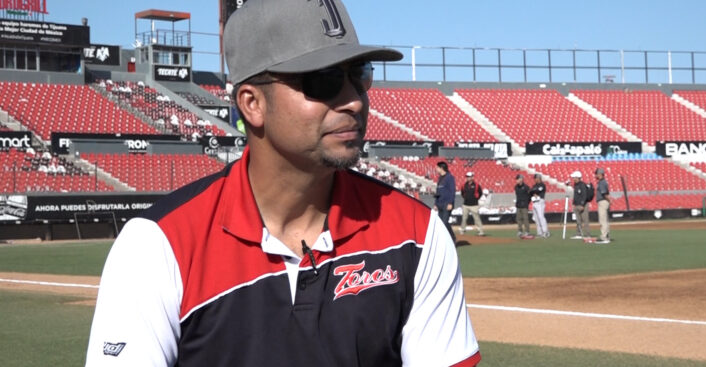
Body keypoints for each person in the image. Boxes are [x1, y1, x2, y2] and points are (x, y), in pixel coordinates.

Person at [85, 1, 480, 366]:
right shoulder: (158, 245)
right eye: (323, 80)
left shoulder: (418, 234)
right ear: (252, 103)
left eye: (359, 75)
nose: (354, 101)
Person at [434, 161, 458, 243]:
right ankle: (445, 240)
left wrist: (450, 203)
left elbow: (452, 191)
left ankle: (452, 238)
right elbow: (438, 191)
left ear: (441, 168)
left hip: (447, 204)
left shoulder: (450, 177)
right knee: (441, 224)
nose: (436, 169)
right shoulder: (440, 178)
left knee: (444, 222)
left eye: (437, 167)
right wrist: (436, 203)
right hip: (440, 203)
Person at [460, 171, 485, 236]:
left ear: (472, 177)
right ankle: (462, 230)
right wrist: (466, 198)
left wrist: (476, 198)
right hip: (465, 204)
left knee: (476, 218)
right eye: (467, 177)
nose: (468, 178)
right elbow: (462, 193)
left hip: (474, 205)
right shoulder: (463, 185)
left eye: (469, 177)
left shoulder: (476, 185)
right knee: (464, 218)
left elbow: (480, 193)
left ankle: (480, 231)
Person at [570, 171, 591, 239]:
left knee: (585, 220)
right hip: (576, 205)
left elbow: (584, 195)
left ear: (578, 177)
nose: (573, 179)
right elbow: (575, 195)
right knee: (578, 220)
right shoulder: (575, 185)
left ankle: (588, 234)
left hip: (583, 205)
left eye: (574, 177)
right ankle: (578, 233)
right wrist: (573, 203)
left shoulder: (582, 185)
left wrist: (582, 204)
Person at [530, 174, 549, 238]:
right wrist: (533, 192)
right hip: (534, 202)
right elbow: (530, 191)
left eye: (537, 178)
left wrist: (534, 192)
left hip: (540, 201)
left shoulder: (542, 185)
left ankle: (545, 232)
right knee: (536, 218)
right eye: (535, 178)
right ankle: (539, 232)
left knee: (541, 217)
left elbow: (538, 190)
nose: (535, 179)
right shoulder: (534, 185)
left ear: (539, 178)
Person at [595, 168, 611, 244]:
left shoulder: (602, 182)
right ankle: (606, 236)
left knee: (603, 220)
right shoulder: (603, 182)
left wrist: (609, 200)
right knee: (605, 220)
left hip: (602, 201)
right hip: (604, 201)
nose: (596, 175)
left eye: (597, 174)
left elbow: (604, 193)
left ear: (600, 174)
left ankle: (604, 237)